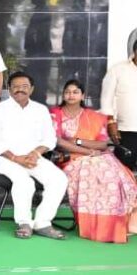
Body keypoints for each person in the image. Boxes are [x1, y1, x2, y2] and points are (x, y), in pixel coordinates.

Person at [0, 71, 68, 240]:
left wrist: (36, 153)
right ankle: (24, 222)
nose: (19, 90)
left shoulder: (40, 110)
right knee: (24, 182)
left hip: (33, 157)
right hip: (5, 159)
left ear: (31, 89)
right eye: (15, 87)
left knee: (59, 179)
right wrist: (16, 158)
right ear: (9, 89)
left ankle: (42, 223)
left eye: (24, 87)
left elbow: (50, 139)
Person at [52, 80, 137, 242]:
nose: (71, 95)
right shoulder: (55, 114)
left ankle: (118, 225)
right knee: (91, 172)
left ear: (82, 95)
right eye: (68, 91)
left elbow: (103, 144)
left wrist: (77, 140)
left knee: (112, 176)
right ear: (63, 94)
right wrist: (88, 151)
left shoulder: (93, 117)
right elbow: (59, 142)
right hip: (70, 159)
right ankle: (94, 227)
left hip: (99, 156)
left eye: (75, 92)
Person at [101, 40, 137, 168]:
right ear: (135, 51)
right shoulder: (118, 70)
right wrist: (111, 122)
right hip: (126, 130)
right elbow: (107, 99)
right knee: (124, 169)